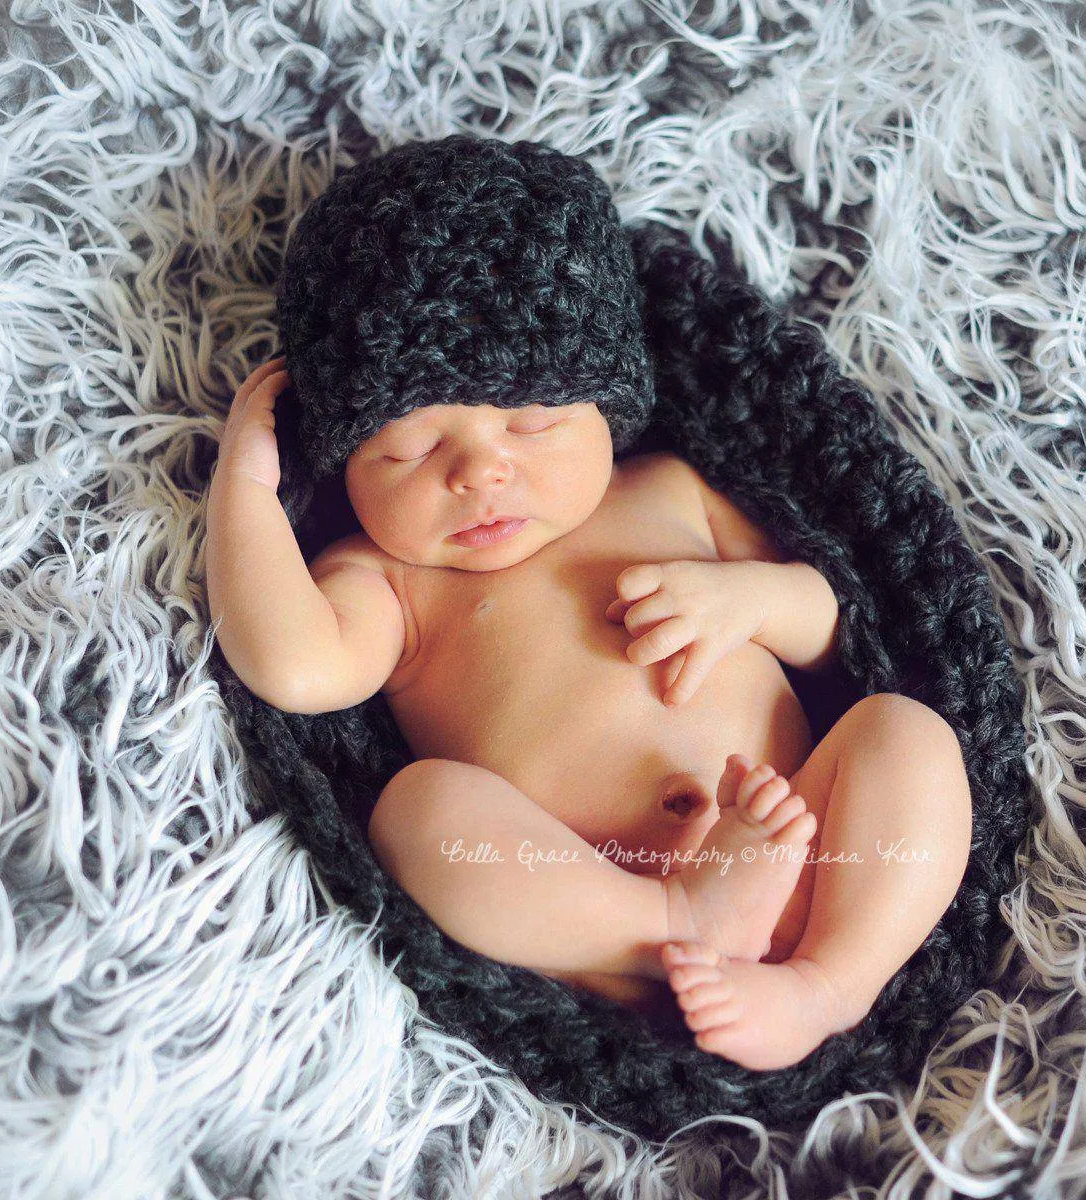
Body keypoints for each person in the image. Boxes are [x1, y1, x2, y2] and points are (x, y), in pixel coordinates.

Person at [202, 136, 972, 1072]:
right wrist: (243, 483)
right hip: (598, 908)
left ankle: (828, 983)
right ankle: (674, 923)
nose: (482, 471)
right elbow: (291, 666)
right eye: (406, 449)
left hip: (817, 855)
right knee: (416, 814)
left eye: (534, 424)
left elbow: (835, 626)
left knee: (904, 732)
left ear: (608, 408)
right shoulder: (384, 580)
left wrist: (751, 601)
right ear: (342, 462)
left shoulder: (669, 491)